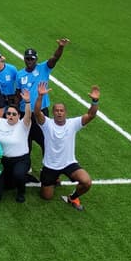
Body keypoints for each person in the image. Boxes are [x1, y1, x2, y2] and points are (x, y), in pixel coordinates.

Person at [34, 83, 100, 211]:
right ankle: (53, 178)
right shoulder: (47, 124)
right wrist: (40, 97)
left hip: (69, 164)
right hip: (50, 166)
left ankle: (73, 197)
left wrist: (95, 101)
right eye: (56, 110)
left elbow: (91, 115)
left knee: (86, 181)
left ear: (65, 112)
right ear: (53, 113)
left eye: (61, 110)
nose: (59, 113)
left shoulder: (73, 124)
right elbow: (37, 112)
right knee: (46, 197)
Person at [0, 89, 33, 202]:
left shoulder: (24, 124)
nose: (11, 116)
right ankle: (24, 178)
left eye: (14, 114)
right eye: (8, 113)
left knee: (18, 174)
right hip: (4, 160)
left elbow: (28, 115)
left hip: (21, 159)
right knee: (8, 186)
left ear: (18, 115)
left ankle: (21, 192)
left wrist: (27, 102)